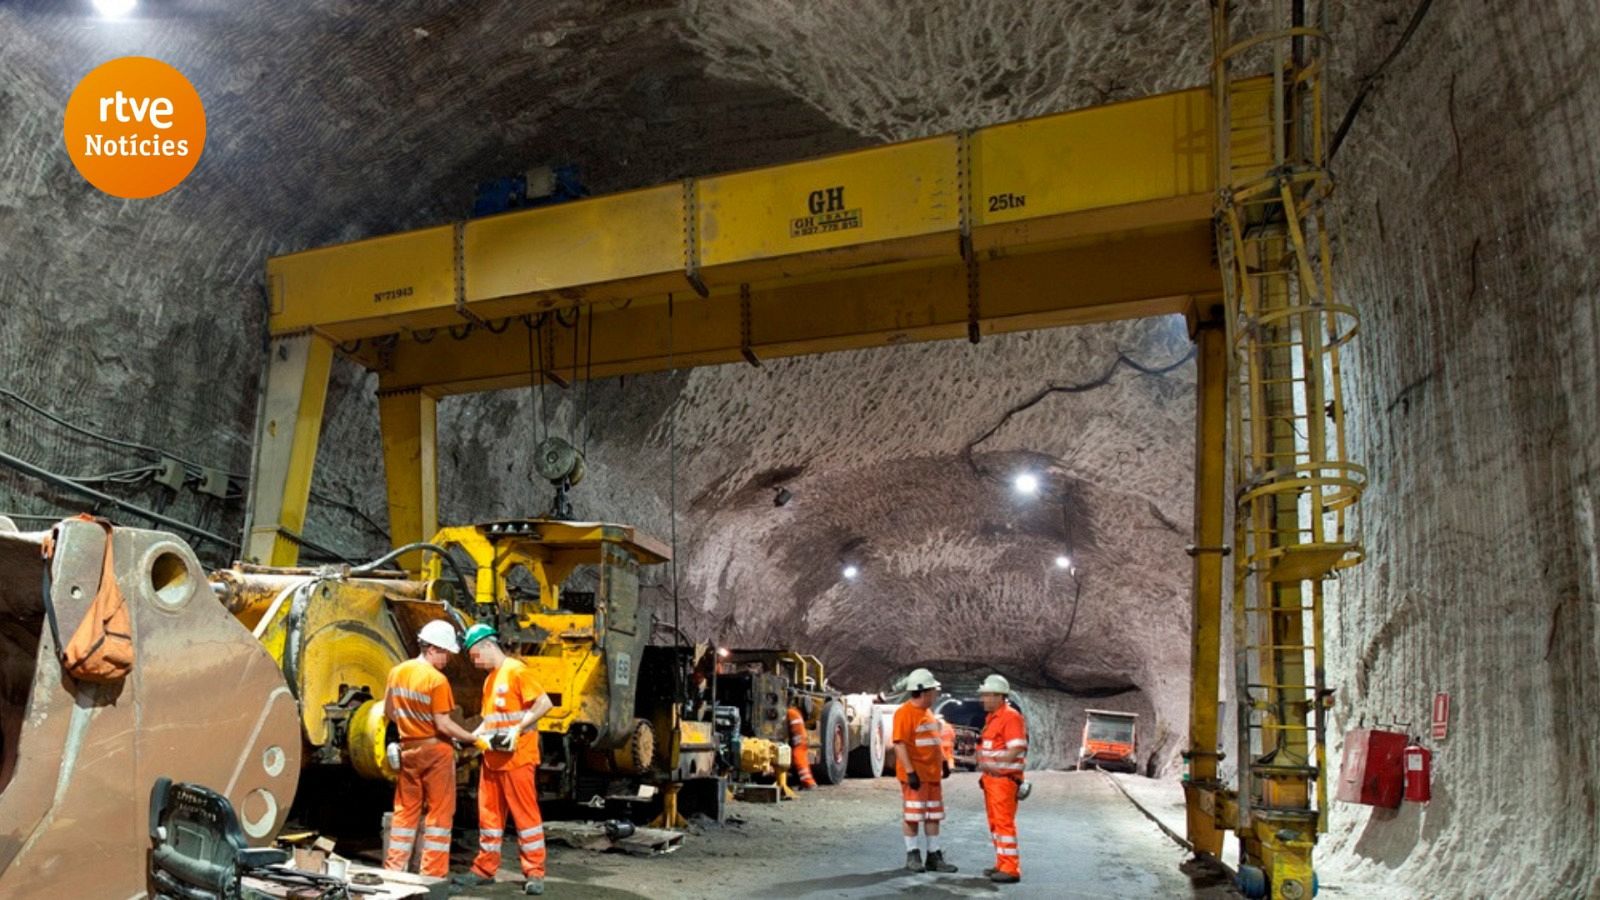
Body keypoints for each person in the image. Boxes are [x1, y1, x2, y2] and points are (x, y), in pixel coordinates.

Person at [451, 624, 555, 896]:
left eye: (475, 655)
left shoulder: (517, 671)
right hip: (493, 759)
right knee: (489, 817)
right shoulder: (490, 679)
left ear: (487, 645)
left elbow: (544, 704)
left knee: (526, 818)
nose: (474, 662)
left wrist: (518, 727)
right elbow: (489, 721)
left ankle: (534, 872)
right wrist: (467, 737)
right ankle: (484, 869)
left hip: (518, 758)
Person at [383, 620, 483, 878]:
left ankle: (394, 870)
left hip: (407, 750)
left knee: (405, 812)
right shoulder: (437, 681)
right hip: (435, 752)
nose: (447, 658)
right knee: (439, 814)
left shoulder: (397, 672)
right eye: (446, 653)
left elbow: (389, 712)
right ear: (433, 649)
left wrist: (411, 725)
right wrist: (472, 738)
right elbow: (444, 724)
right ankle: (432, 874)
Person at [892, 668, 957, 874]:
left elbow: (934, 741)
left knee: (932, 816)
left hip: (932, 776)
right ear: (923, 691)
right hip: (917, 776)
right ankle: (913, 855)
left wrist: (944, 762)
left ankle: (933, 856)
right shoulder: (904, 713)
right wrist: (911, 772)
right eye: (933, 691)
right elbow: (900, 744)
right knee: (913, 815)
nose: (935, 695)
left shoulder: (927, 712)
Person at [977, 674, 1027, 884]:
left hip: (1004, 781)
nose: (983, 699)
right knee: (995, 824)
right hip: (992, 780)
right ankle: (1001, 862)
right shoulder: (993, 718)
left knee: (1004, 824)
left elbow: (1016, 747)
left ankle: (1010, 868)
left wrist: (997, 765)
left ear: (999, 696)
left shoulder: (1010, 717)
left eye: (987, 695)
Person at [786, 705, 819, 789]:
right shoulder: (795, 712)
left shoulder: (789, 712)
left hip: (799, 742)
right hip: (802, 740)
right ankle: (804, 782)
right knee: (802, 761)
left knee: (799, 760)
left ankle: (809, 783)